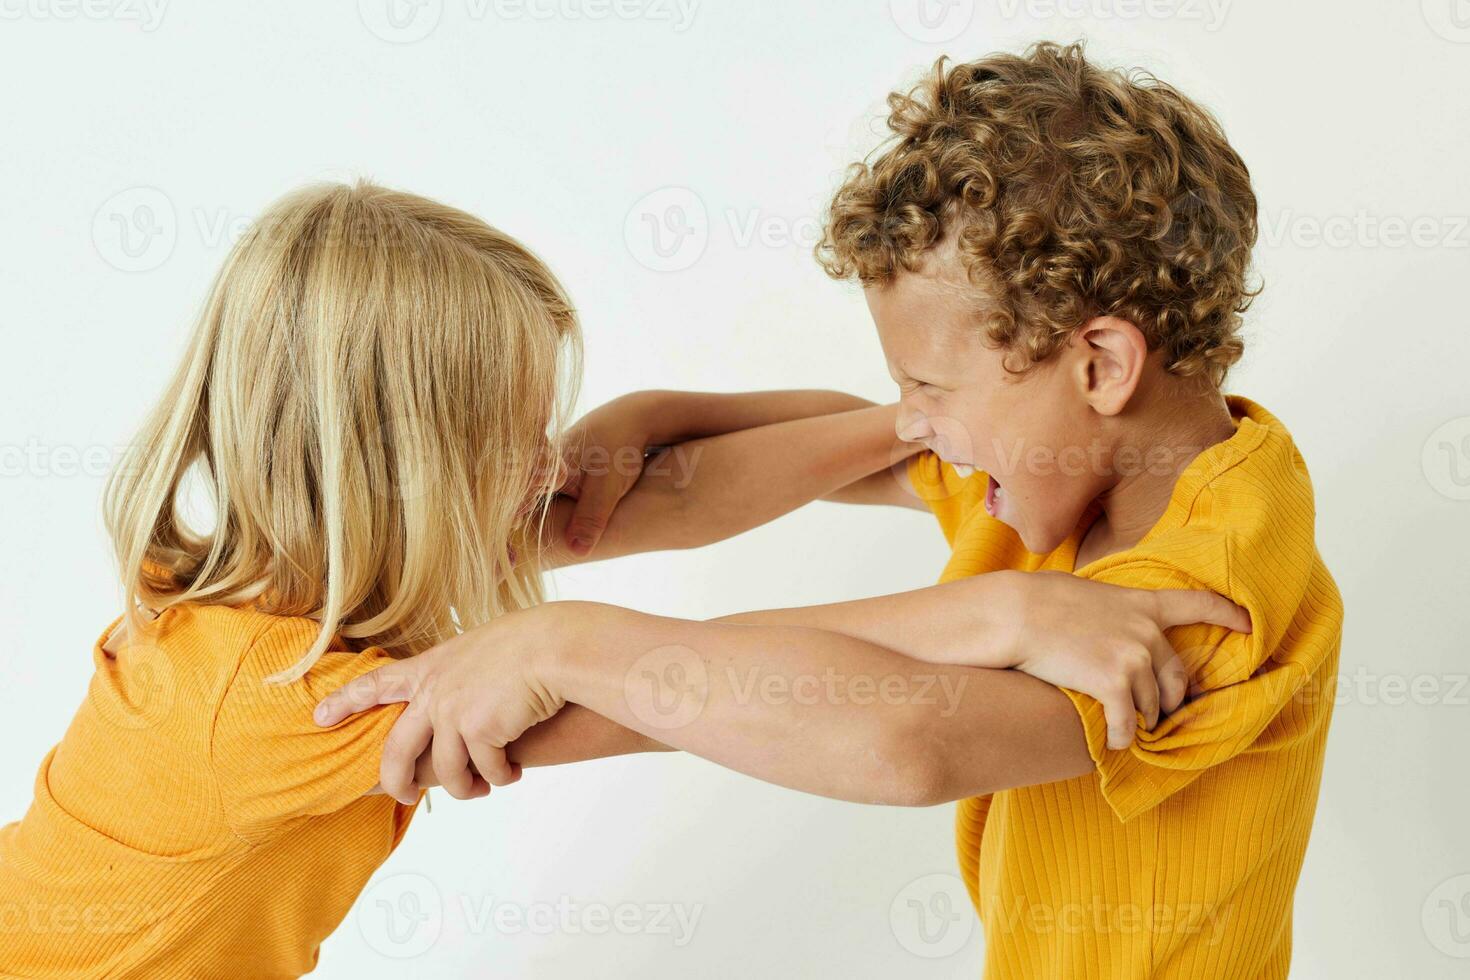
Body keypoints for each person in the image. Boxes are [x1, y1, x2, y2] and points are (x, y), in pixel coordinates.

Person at [0, 180, 1219, 978]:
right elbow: (693, 690)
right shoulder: (289, 694)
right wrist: (998, 609)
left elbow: (661, 489)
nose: (551, 464)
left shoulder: (313, 562)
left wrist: (923, 419)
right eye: (514, 438)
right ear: (404, 468)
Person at [317, 43, 1342, 978]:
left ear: (1100, 363)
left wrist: (564, 652)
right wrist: (655, 418)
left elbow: (905, 736)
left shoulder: (1207, 591)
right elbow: (834, 447)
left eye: (933, 385)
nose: (915, 418)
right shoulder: (1072, 462)